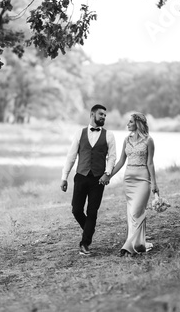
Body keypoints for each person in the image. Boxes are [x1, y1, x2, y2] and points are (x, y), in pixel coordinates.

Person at [61, 104, 116, 256]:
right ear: (92, 114)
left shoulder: (109, 135)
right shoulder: (80, 133)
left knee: (92, 212)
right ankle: (89, 228)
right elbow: (71, 156)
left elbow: (112, 157)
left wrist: (107, 173)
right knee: (76, 210)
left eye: (105, 115)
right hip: (81, 176)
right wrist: (64, 177)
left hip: (98, 179)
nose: (104, 117)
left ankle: (85, 243)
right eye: (101, 114)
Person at [109, 112, 159, 257]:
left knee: (137, 211)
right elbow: (120, 162)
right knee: (132, 214)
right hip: (129, 180)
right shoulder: (126, 140)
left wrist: (154, 183)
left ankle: (128, 247)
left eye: (130, 122)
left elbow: (150, 163)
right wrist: (108, 175)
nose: (127, 124)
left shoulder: (149, 141)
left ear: (137, 123)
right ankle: (138, 244)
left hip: (143, 179)